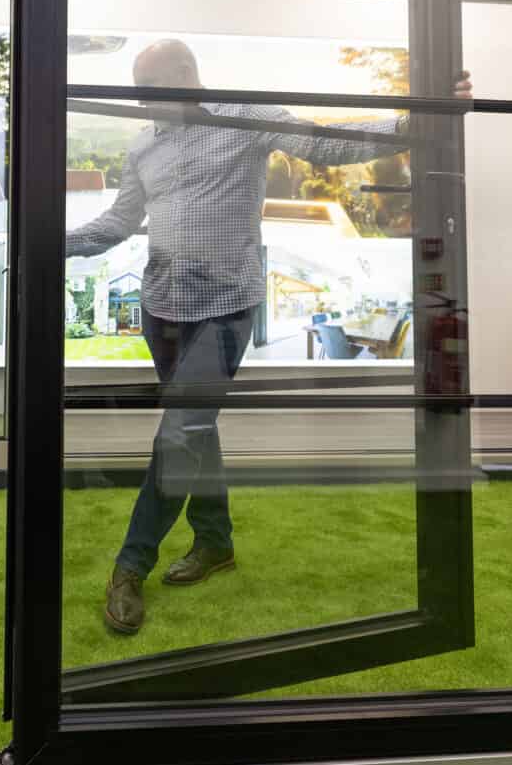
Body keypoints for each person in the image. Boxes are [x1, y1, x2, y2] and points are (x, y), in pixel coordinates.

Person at [66, 39, 469, 635]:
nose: (144, 102)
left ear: (185, 74)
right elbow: (120, 221)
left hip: (225, 308)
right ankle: (215, 542)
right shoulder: (145, 143)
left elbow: (325, 143)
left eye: (150, 89)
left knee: (180, 433)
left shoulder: (245, 115)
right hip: (162, 309)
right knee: (195, 428)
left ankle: (130, 566)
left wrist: (414, 122)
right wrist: (53, 241)